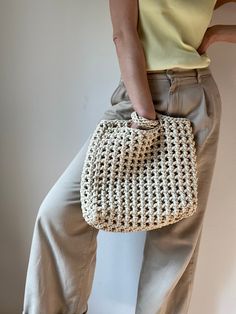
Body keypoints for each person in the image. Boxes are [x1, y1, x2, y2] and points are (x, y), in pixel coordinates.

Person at [22, 0, 236, 313]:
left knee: (176, 240)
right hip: (141, 101)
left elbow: (124, 34)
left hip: (194, 98)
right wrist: (145, 116)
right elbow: (123, 36)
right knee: (60, 214)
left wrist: (217, 32)